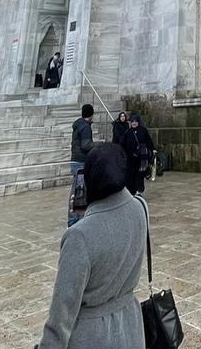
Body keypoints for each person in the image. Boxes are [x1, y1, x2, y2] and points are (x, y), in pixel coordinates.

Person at [38, 144, 146, 349]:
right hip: (131, 328)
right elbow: (113, 225)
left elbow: (62, 313)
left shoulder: (79, 237)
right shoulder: (141, 208)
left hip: (93, 336)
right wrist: (89, 214)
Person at [68, 104, 94, 226]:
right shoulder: (85, 127)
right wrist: (98, 146)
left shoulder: (78, 125)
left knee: (78, 190)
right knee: (79, 190)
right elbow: (86, 145)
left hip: (75, 160)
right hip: (81, 162)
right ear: (91, 114)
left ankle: (76, 217)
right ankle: (74, 219)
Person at [119, 113, 154, 197]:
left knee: (140, 175)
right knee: (131, 175)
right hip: (131, 158)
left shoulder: (143, 131)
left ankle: (139, 191)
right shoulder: (128, 132)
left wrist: (153, 149)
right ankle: (132, 191)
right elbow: (122, 144)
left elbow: (148, 141)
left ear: (138, 122)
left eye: (135, 121)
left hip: (141, 158)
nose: (134, 123)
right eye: (132, 121)